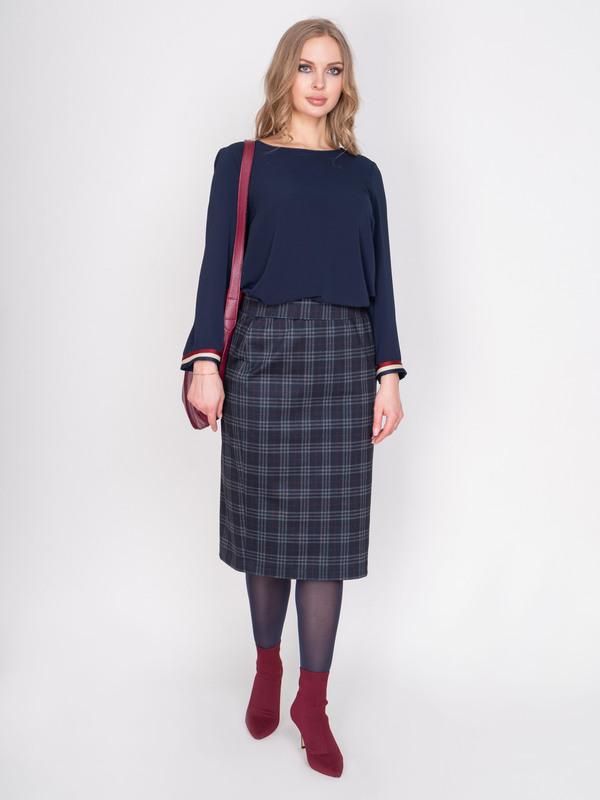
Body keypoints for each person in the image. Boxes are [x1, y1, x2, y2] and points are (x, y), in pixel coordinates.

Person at [180, 18, 407, 778]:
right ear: (285, 72)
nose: (319, 82)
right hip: (264, 354)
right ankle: (268, 666)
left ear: (346, 82)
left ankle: (312, 701)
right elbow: (215, 265)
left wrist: (388, 374)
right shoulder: (241, 162)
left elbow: (382, 281)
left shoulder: (363, 175)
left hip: (344, 358)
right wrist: (205, 362)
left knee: (327, 538)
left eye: (333, 69)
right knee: (267, 524)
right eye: (306, 67)